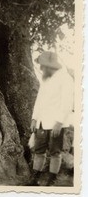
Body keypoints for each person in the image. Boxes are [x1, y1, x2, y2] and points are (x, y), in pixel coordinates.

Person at [28, 51, 74, 186]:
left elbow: (67, 103)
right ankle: (34, 180)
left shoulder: (66, 79)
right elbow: (39, 100)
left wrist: (59, 122)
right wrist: (34, 119)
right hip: (42, 122)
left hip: (55, 123)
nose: (41, 68)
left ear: (50, 66)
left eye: (43, 65)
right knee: (39, 150)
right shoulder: (46, 79)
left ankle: (51, 181)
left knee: (55, 152)